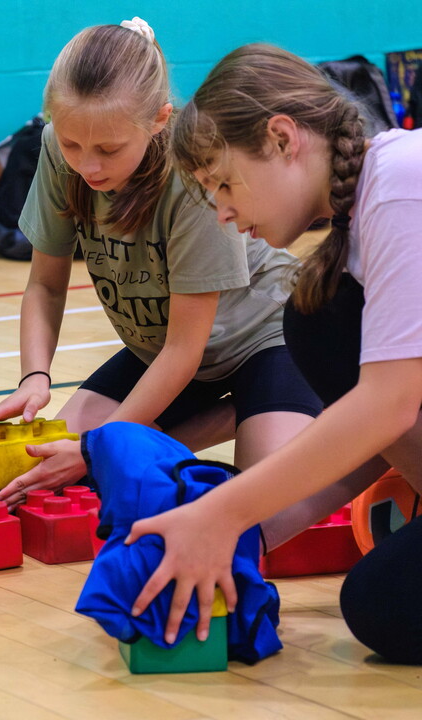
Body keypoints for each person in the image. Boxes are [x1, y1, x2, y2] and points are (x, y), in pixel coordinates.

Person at [0, 20, 341, 537]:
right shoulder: (59, 150)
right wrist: (34, 378)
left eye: (109, 150)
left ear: (159, 120)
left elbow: (186, 351)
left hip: (264, 341)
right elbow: (46, 284)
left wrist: (99, 447)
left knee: (270, 516)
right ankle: (222, 416)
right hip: (161, 352)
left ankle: (248, 408)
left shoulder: (194, 179)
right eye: (72, 144)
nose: (88, 166)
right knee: (47, 465)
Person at [130, 42, 422, 664]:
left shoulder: (401, 184)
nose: (224, 213)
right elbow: (374, 440)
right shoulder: (362, 226)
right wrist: (256, 529)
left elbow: (389, 408)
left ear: (284, 138)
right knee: (316, 319)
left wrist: (220, 513)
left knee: (382, 608)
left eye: (225, 183)